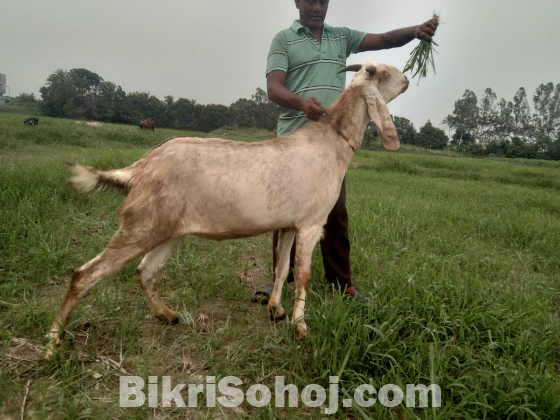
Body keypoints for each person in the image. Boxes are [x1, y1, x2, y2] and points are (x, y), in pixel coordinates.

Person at [255, 0, 438, 302]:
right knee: (285, 214)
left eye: (323, 1)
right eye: (311, 1)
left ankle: (342, 284)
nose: (317, 7)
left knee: (335, 211)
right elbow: (273, 88)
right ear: (298, 2)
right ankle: (280, 277)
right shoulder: (284, 40)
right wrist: (302, 104)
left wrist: (415, 31)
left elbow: (383, 40)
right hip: (292, 143)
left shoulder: (341, 37)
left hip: (331, 144)